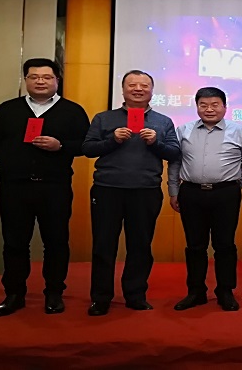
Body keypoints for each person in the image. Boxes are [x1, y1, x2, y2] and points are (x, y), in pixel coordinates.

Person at [0, 58, 90, 317]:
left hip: (54, 187)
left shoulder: (72, 111)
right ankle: (14, 294)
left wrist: (60, 146)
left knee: (56, 241)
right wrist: (12, 158)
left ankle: (54, 293)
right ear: (26, 80)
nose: (41, 81)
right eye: (34, 77)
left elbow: (86, 144)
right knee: (15, 242)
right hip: (14, 187)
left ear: (57, 80)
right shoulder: (8, 109)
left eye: (47, 77)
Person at [82, 70, 180, 316]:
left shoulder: (163, 121)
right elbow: (88, 148)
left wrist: (156, 143)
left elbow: (174, 153)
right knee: (103, 245)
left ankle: (135, 295)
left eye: (144, 85)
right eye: (132, 85)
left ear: (152, 90)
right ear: (123, 89)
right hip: (107, 189)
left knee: (140, 246)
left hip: (145, 190)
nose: (138, 89)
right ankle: (101, 298)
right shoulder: (104, 118)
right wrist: (112, 140)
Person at [167, 87, 242, 312]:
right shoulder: (183, 130)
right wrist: (174, 191)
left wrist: (238, 183)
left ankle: (225, 291)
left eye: (215, 105)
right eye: (203, 105)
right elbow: (175, 162)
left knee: (225, 244)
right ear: (196, 107)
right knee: (195, 245)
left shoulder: (240, 132)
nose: (209, 109)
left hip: (226, 193)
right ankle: (196, 292)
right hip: (191, 193)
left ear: (225, 107)